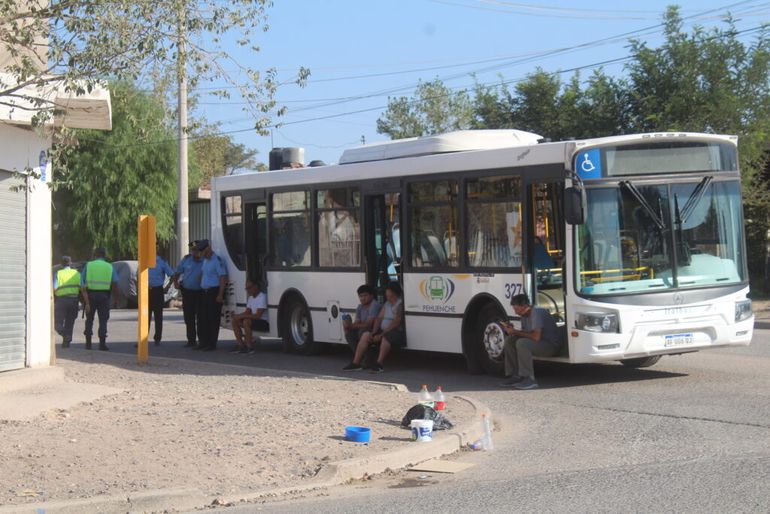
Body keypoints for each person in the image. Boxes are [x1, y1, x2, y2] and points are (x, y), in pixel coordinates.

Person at [499, 293, 560, 390]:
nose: (515, 312)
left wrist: (515, 331)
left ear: (524, 307)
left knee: (522, 343)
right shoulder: (524, 315)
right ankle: (515, 375)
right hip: (539, 343)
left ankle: (529, 379)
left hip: (550, 346)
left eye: (517, 309)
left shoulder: (536, 313)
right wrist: (512, 330)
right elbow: (527, 333)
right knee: (510, 340)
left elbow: (535, 337)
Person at [343, 281, 405, 373]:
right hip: (383, 330)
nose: (388, 298)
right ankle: (356, 363)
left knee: (385, 338)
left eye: (391, 296)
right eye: (387, 296)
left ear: (396, 295)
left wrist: (382, 334)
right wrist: (374, 332)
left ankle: (379, 364)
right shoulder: (387, 304)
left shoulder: (400, 304)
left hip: (395, 331)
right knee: (366, 335)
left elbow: (396, 322)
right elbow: (379, 318)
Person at [80, 247, 118, 350]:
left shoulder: (89, 265)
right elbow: (115, 282)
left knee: (89, 319)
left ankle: (88, 344)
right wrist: (115, 298)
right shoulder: (109, 266)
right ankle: (102, 344)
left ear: (95, 255)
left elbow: (82, 281)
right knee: (103, 320)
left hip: (90, 295)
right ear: (104, 255)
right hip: (104, 296)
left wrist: (85, 299)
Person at [195, 239, 228, 351]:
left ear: (208, 249)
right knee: (202, 318)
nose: (201, 255)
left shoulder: (217, 260)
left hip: (214, 291)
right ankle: (203, 342)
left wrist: (220, 294)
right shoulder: (206, 261)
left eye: (203, 252)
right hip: (204, 292)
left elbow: (223, 278)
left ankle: (211, 343)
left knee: (212, 319)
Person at [173, 241, 204, 347]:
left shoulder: (205, 260)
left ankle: (202, 340)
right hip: (187, 292)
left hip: (201, 293)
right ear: (191, 251)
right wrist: (175, 283)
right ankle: (191, 340)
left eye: (197, 250)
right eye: (193, 250)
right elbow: (177, 272)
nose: (196, 252)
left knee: (201, 317)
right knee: (189, 317)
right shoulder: (186, 260)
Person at [230, 280, 269, 354]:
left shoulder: (262, 297)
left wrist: (242, 316)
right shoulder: (251, 298)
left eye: (249, 288)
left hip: (263, 322)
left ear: (256, 287)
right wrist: (237, 316)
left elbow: (258, 316)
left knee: (246, 321)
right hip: (254, 320)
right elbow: (247, 312)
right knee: (235, 320)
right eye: (246, 288)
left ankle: (249, 346)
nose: (248, 290)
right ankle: (240, 345)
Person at [147, 248, 175, 345]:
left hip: (157, 290)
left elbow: (172, 275)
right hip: (147, 291)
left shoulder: (162, 262)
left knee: (157, 316)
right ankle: (143, 339)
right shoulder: (144, 261)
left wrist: (167, 287)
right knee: (146, 315)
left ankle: (157, 338)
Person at [53, 255, 81, 348]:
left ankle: (65, 336)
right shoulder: (77, 274)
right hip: (74, 300)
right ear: (71, 263)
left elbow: (54, 288)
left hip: (61, 301)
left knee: (57, 323)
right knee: (70, 322)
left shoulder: (58, 273)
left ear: (61, 264)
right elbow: (83, 288)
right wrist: (87, 302)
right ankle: (67, 341)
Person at [342, 284, 380, 352]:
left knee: (362, 331)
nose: (362, 298)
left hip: (375, 330)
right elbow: (357, 322)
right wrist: (348, 325)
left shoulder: (374, 305)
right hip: (363, 328)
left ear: (371, 296)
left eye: (365, 295)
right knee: (349, 331)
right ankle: (358, 354)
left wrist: (352, 325)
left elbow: (369, 324)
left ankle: (361, 355)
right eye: (360, 296)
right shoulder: (360, 307)